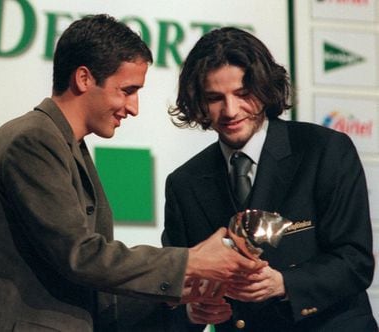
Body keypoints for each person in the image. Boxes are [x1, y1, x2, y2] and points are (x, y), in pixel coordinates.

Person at [0, 15, 264, 331]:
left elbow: (91, 291)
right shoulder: (33, 140)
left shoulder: (67, 145)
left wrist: (177, 294)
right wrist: (191, 261)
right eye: (127, 90)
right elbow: (79, 256)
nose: (134, 107)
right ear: (83, 79)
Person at [162, 27, 378, 331]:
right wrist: (192, 312)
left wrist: (283, 283)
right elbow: (173, 287)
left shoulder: (324, 150)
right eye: (214, 98)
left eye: (242, 94)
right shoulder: (184, 182)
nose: (230, 110)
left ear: (265, 89)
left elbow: (355, 260)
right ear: (198, 102)